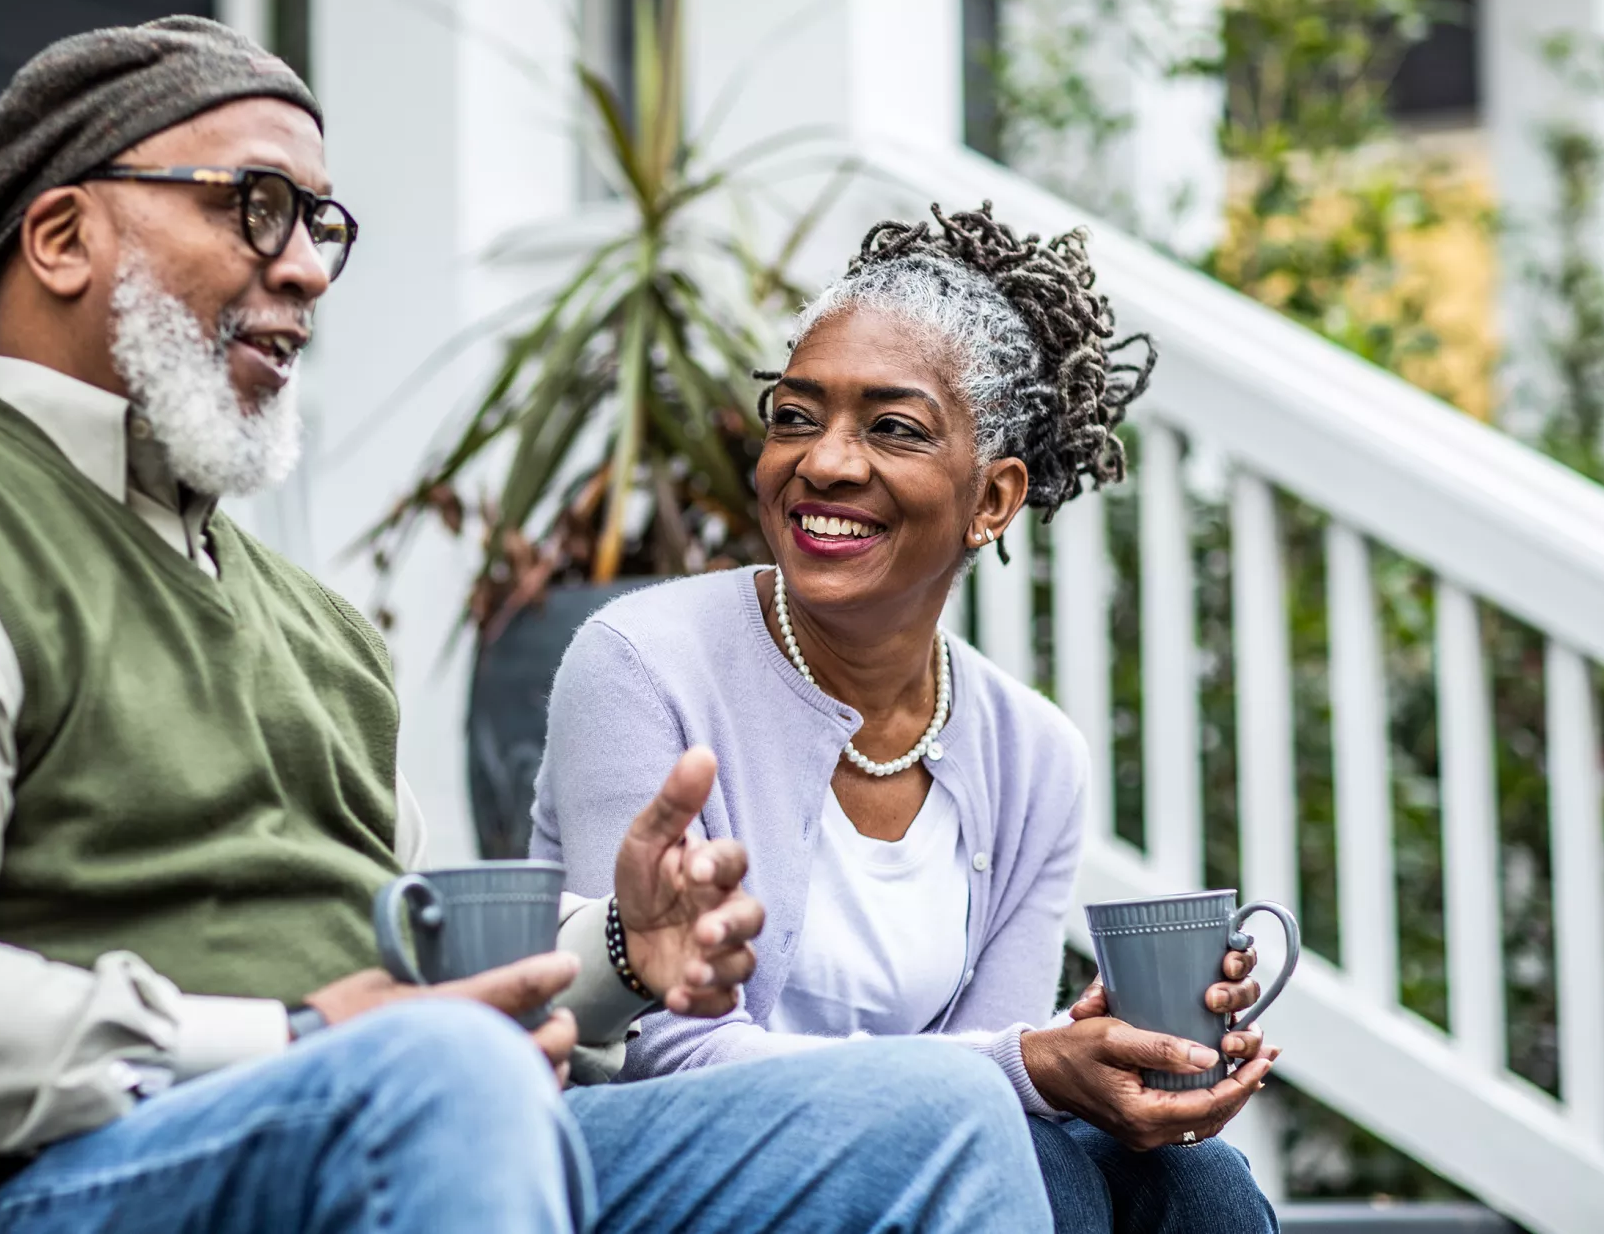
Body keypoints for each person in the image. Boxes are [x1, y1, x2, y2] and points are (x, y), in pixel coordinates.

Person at [0, 18, 1053, 1234]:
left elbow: (416, 995)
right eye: (255, 207)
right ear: (61, 236)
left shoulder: (315, 627)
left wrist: (627, 953)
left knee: (930, 1108)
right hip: (36, 1189)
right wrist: (293, 1039)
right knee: (441, 1081)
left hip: (376, 1133)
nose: (306, 271)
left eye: (321, 227)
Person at [532, 206, 1283, 1234]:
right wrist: (1023, 1064)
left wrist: (1099, 1059)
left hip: (920, 1166)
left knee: (1201, 1185)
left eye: (891, 427)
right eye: (796, 417)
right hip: (659, 1165)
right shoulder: (639, 663)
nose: (825, 464)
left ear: (992, 499)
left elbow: (1003, 1090)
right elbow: (663, 1054)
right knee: (988, 1129)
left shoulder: (1032, 757)